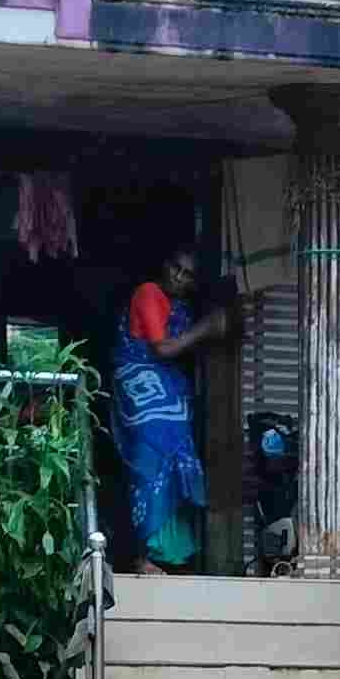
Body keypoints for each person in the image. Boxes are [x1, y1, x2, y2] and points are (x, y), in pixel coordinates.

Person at [113, 245, 231, 571]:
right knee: (152, 453)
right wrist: (207, 328)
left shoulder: (179, 307)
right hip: (138, 381)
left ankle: (166, 555)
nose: (178, 277)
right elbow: (163, 348)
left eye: (188, 275)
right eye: (175, 268)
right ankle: (142, 555)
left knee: (174, 459)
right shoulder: (149, 292)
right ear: (165, 265)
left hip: (164, 388)